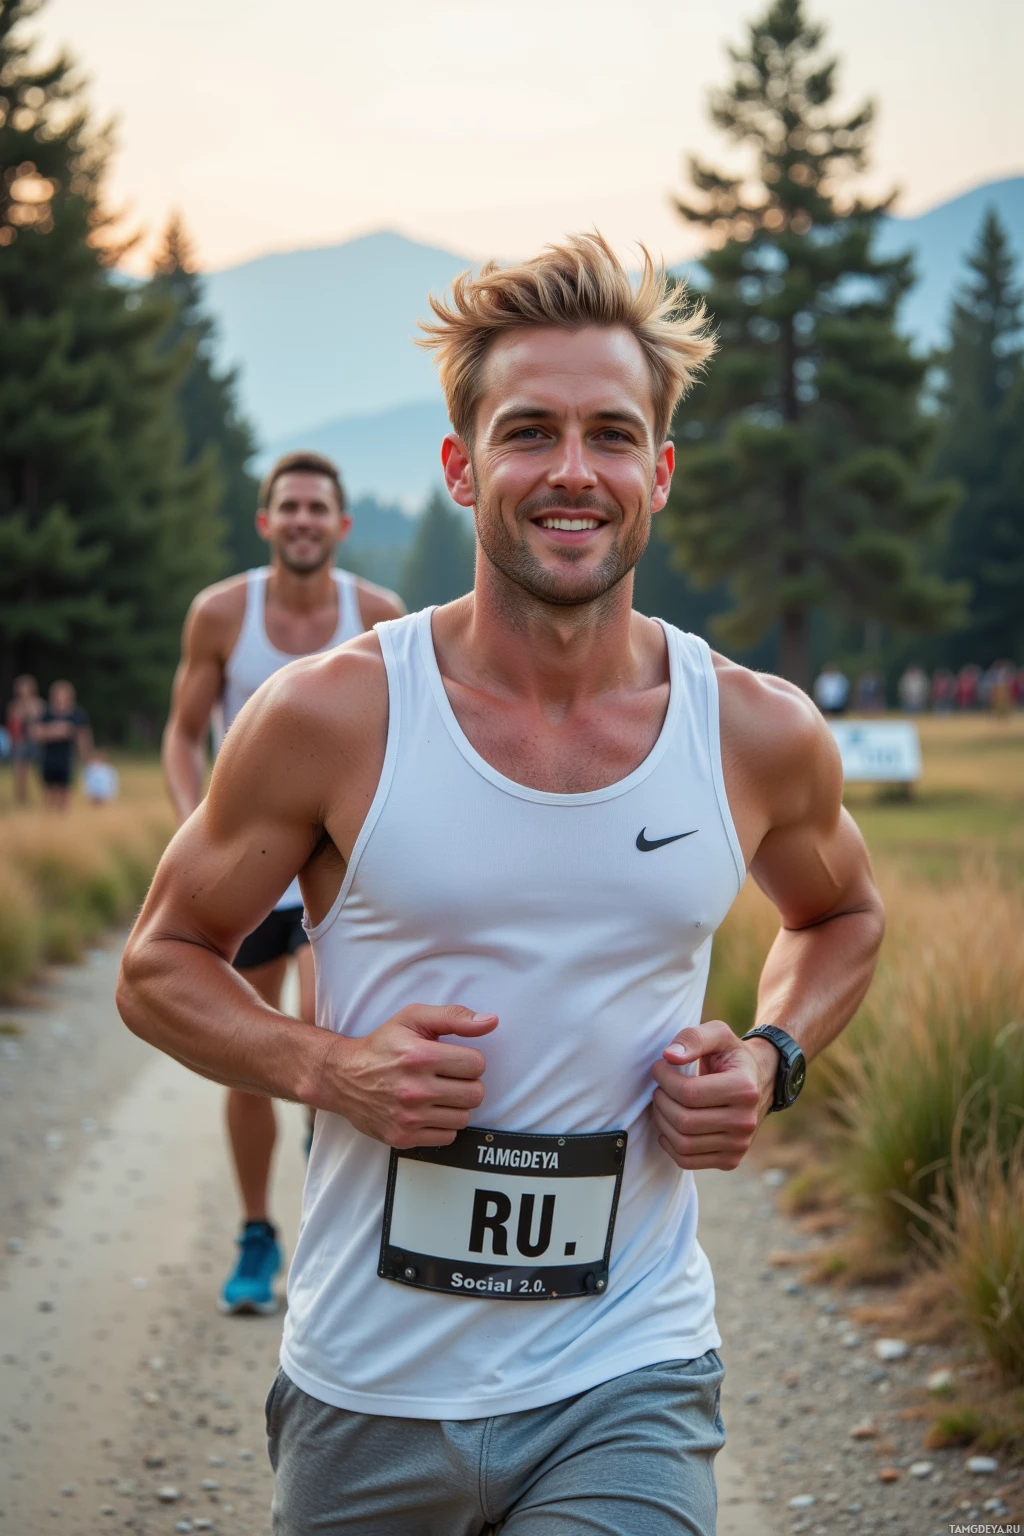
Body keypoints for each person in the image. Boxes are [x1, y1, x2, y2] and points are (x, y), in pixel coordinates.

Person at [118, 236, 884, 1536]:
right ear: (463, 467)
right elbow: (158, 967)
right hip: (371, 1382)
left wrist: (770, 1057)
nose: (573, 470)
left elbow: (843, 915)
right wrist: (329, 1069)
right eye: (530, 432)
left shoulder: (756, 730)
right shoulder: (337, 715)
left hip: (626, 1369)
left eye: (612, 434)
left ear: (661, 472)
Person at [160, 450, 404, 1315]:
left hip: (339, 875)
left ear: (341, 526)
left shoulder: (377, 617)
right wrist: (200, 828)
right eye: (288, 508)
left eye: (318, 510)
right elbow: (185, 734)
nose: (303, 521)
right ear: (267, 523)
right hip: (250, 869)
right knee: (252, 1059)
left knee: (330, 1044)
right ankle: (258, 1232)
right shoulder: (223, 614)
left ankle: (333, 1243)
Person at [33, 680, 92, 810]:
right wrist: (57, 731)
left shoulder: (77, 714)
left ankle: (62, 822)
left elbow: (83, 738)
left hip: (67, 760)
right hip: (48, 758)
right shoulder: (46, 713)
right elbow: (36, 733)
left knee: (66, 793)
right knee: (49, 793)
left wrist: (87, 758)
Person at [6, 674, 44, 806]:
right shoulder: (14, 705)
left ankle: (41, 796)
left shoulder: (38, 703)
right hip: (20, 741)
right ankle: (21, 798)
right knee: (19, 771)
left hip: (35, 741)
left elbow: (39, 720)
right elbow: (13, 723)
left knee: (37, 771)